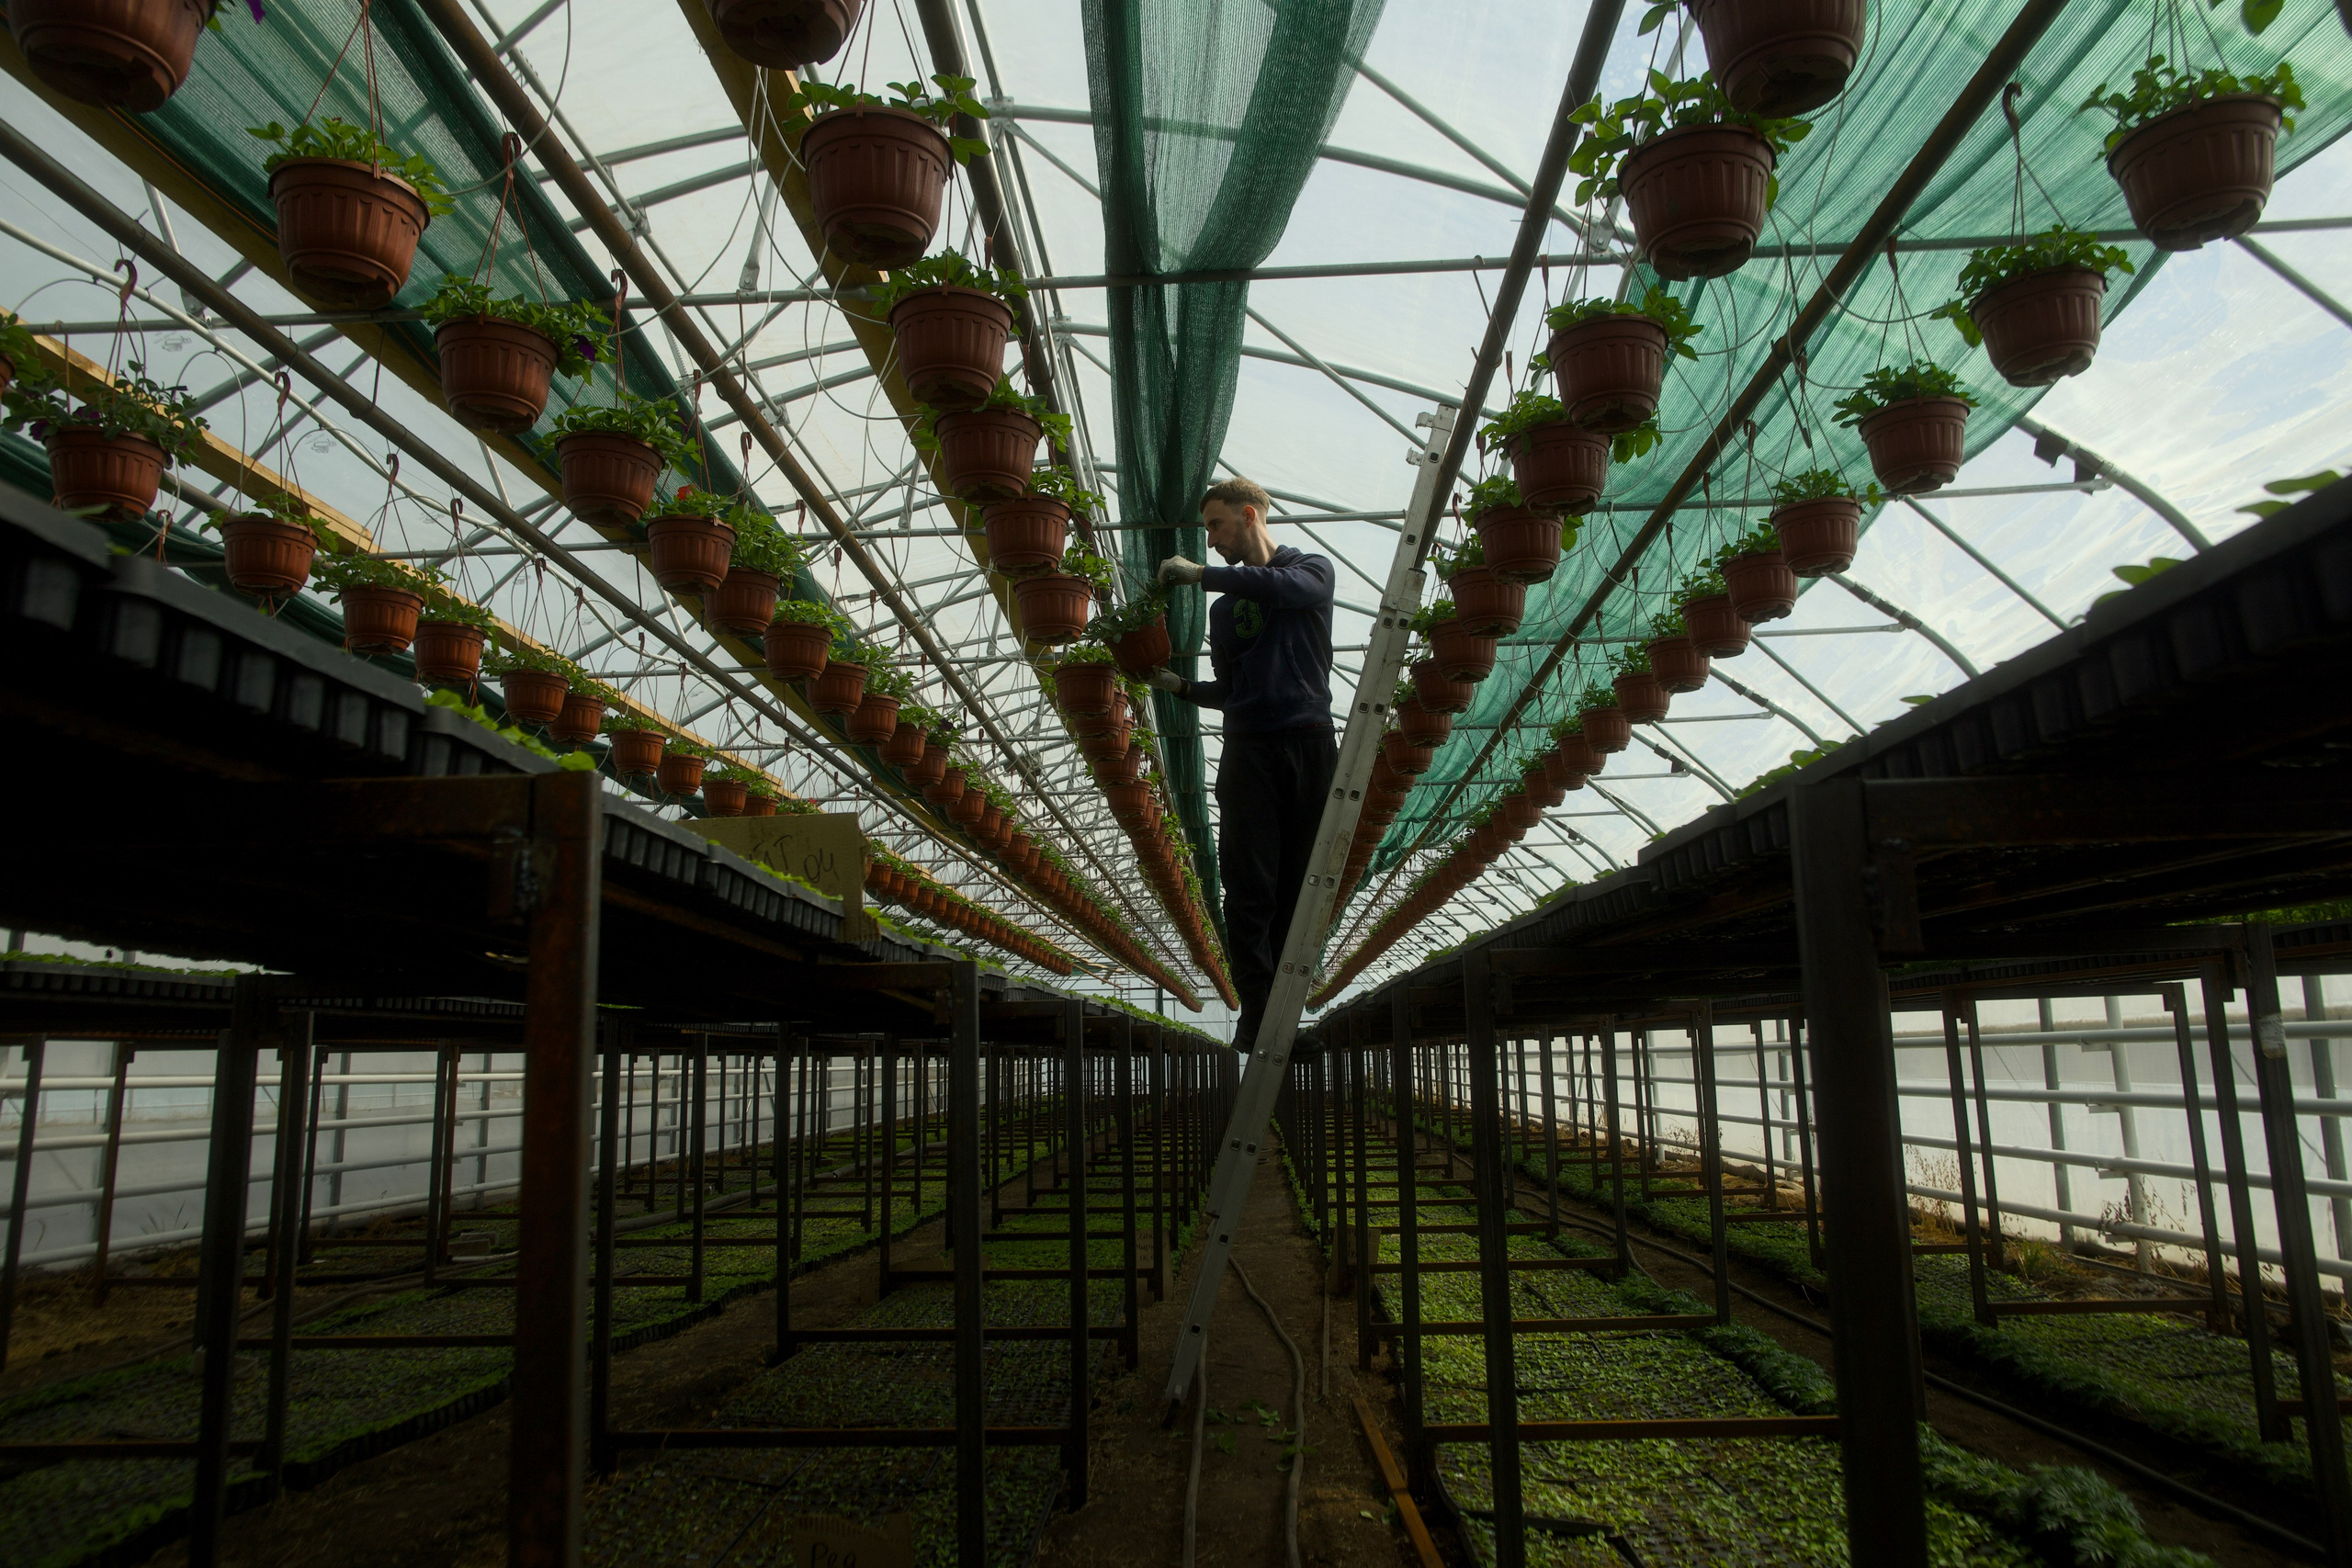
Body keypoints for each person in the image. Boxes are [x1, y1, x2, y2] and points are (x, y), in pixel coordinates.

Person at [1147, 478, 1337, 1055]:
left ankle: (1288, 1017)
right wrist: (1181, 687)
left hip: (1308, 744)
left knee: (1300, 890)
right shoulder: (1224, 612)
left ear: (1248, 514)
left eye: (1215, 525)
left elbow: (1287, 589)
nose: (1210, 540)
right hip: (1249, 749)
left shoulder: (1312, 570)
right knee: (1249, 886)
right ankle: (1258, 1011)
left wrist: (1201, 575)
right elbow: (1231, 690)